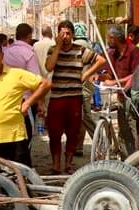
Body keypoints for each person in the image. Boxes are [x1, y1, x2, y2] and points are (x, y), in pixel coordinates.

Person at [0, 39, 51, 163]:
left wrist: (28, 103)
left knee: (21, 177)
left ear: (2, 56)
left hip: (16, 139)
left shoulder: (15, 74)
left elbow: (45, 84)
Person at [45, 20, 107, 174]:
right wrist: (58, 46)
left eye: (68, 33)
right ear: (57, 34)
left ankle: (68, 164)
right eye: (62, 33)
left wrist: (86, 73)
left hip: (74, 97)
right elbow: (49, 67)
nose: (65, 37)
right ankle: (56, 164)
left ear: (73, 35)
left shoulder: (80, 50)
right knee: (54, 133)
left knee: (73, 132)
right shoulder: (53, 50)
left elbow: (101, 60)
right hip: (57, 98)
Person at [101, 25, 139, 156]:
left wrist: (115, 82)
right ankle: (126, 159)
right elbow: (109, 74)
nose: (108, 40)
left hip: (133, 97)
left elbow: (137, 73)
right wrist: (100, 76)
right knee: (123, 131)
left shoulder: (134, 51)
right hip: (120, 97)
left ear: (114, 38)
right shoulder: (113, 54)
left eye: (109, 38)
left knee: (135, 130)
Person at [3, 23, 41, 165]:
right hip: (25, 102)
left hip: (5, 102)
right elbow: (36, 83)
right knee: (26, 137)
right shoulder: (28, 54)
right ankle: (24, 171)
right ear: (29, 37)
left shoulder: (5, 53)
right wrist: (38, 103)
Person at [72, 22, 97, 157]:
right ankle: (78, 147)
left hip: (82, 86)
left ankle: (100, 141)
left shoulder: (80, 46)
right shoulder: (88, 44)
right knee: (81, 118)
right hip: (87, 86)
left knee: (85, 117)